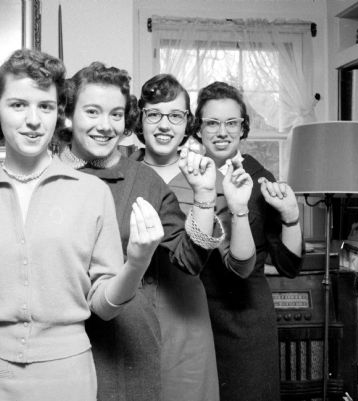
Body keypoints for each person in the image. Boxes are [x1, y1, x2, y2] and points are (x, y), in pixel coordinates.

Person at [0, 49, 163, 401]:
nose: (33, 120)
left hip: (66, 377)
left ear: (60, 115)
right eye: (17, 105)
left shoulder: (91, 193)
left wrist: (136, 263)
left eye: (45, 106)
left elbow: (102, 304)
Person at [57, 63, 247, 401]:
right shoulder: (44, 175)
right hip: (59, 339)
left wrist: (205, 195)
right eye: (92, 112)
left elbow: (189, 260)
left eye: (116, 114)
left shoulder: (144, 181)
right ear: (68, 115)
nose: (105, 126)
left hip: (126, 333)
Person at [132, 73, 258, 401]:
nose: (164, 125)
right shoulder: (119, 171)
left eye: (175, 115)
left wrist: (239, 208)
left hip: (184, 324)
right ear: (139, 119)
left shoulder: (209, 177)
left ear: (187, 123)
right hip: (126, 317)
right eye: (153, 114)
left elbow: (240, 266)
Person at [193, 81, 304, 401]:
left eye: (232, 123)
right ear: (198, 129)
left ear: (244, 129)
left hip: (247, 323)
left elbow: (289, 266)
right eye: (212, 122)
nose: (222, 131)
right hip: (195, 320)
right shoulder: (186, 178)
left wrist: (291, 216)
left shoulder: (260, 179)